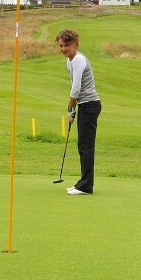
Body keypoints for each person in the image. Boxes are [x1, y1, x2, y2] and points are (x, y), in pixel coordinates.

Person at [56, 29, 102, 195]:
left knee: (86, 147)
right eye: (61, 45)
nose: (63, 49)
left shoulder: (78, 60)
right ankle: (83, 182)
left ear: (75, 44)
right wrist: (73, 109)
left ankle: (86, 186)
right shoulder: (70, 60)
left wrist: (70, 108)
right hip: (85, 105)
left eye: (67, 45)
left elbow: (76, 89)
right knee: (82, 146)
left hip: (90, 104)